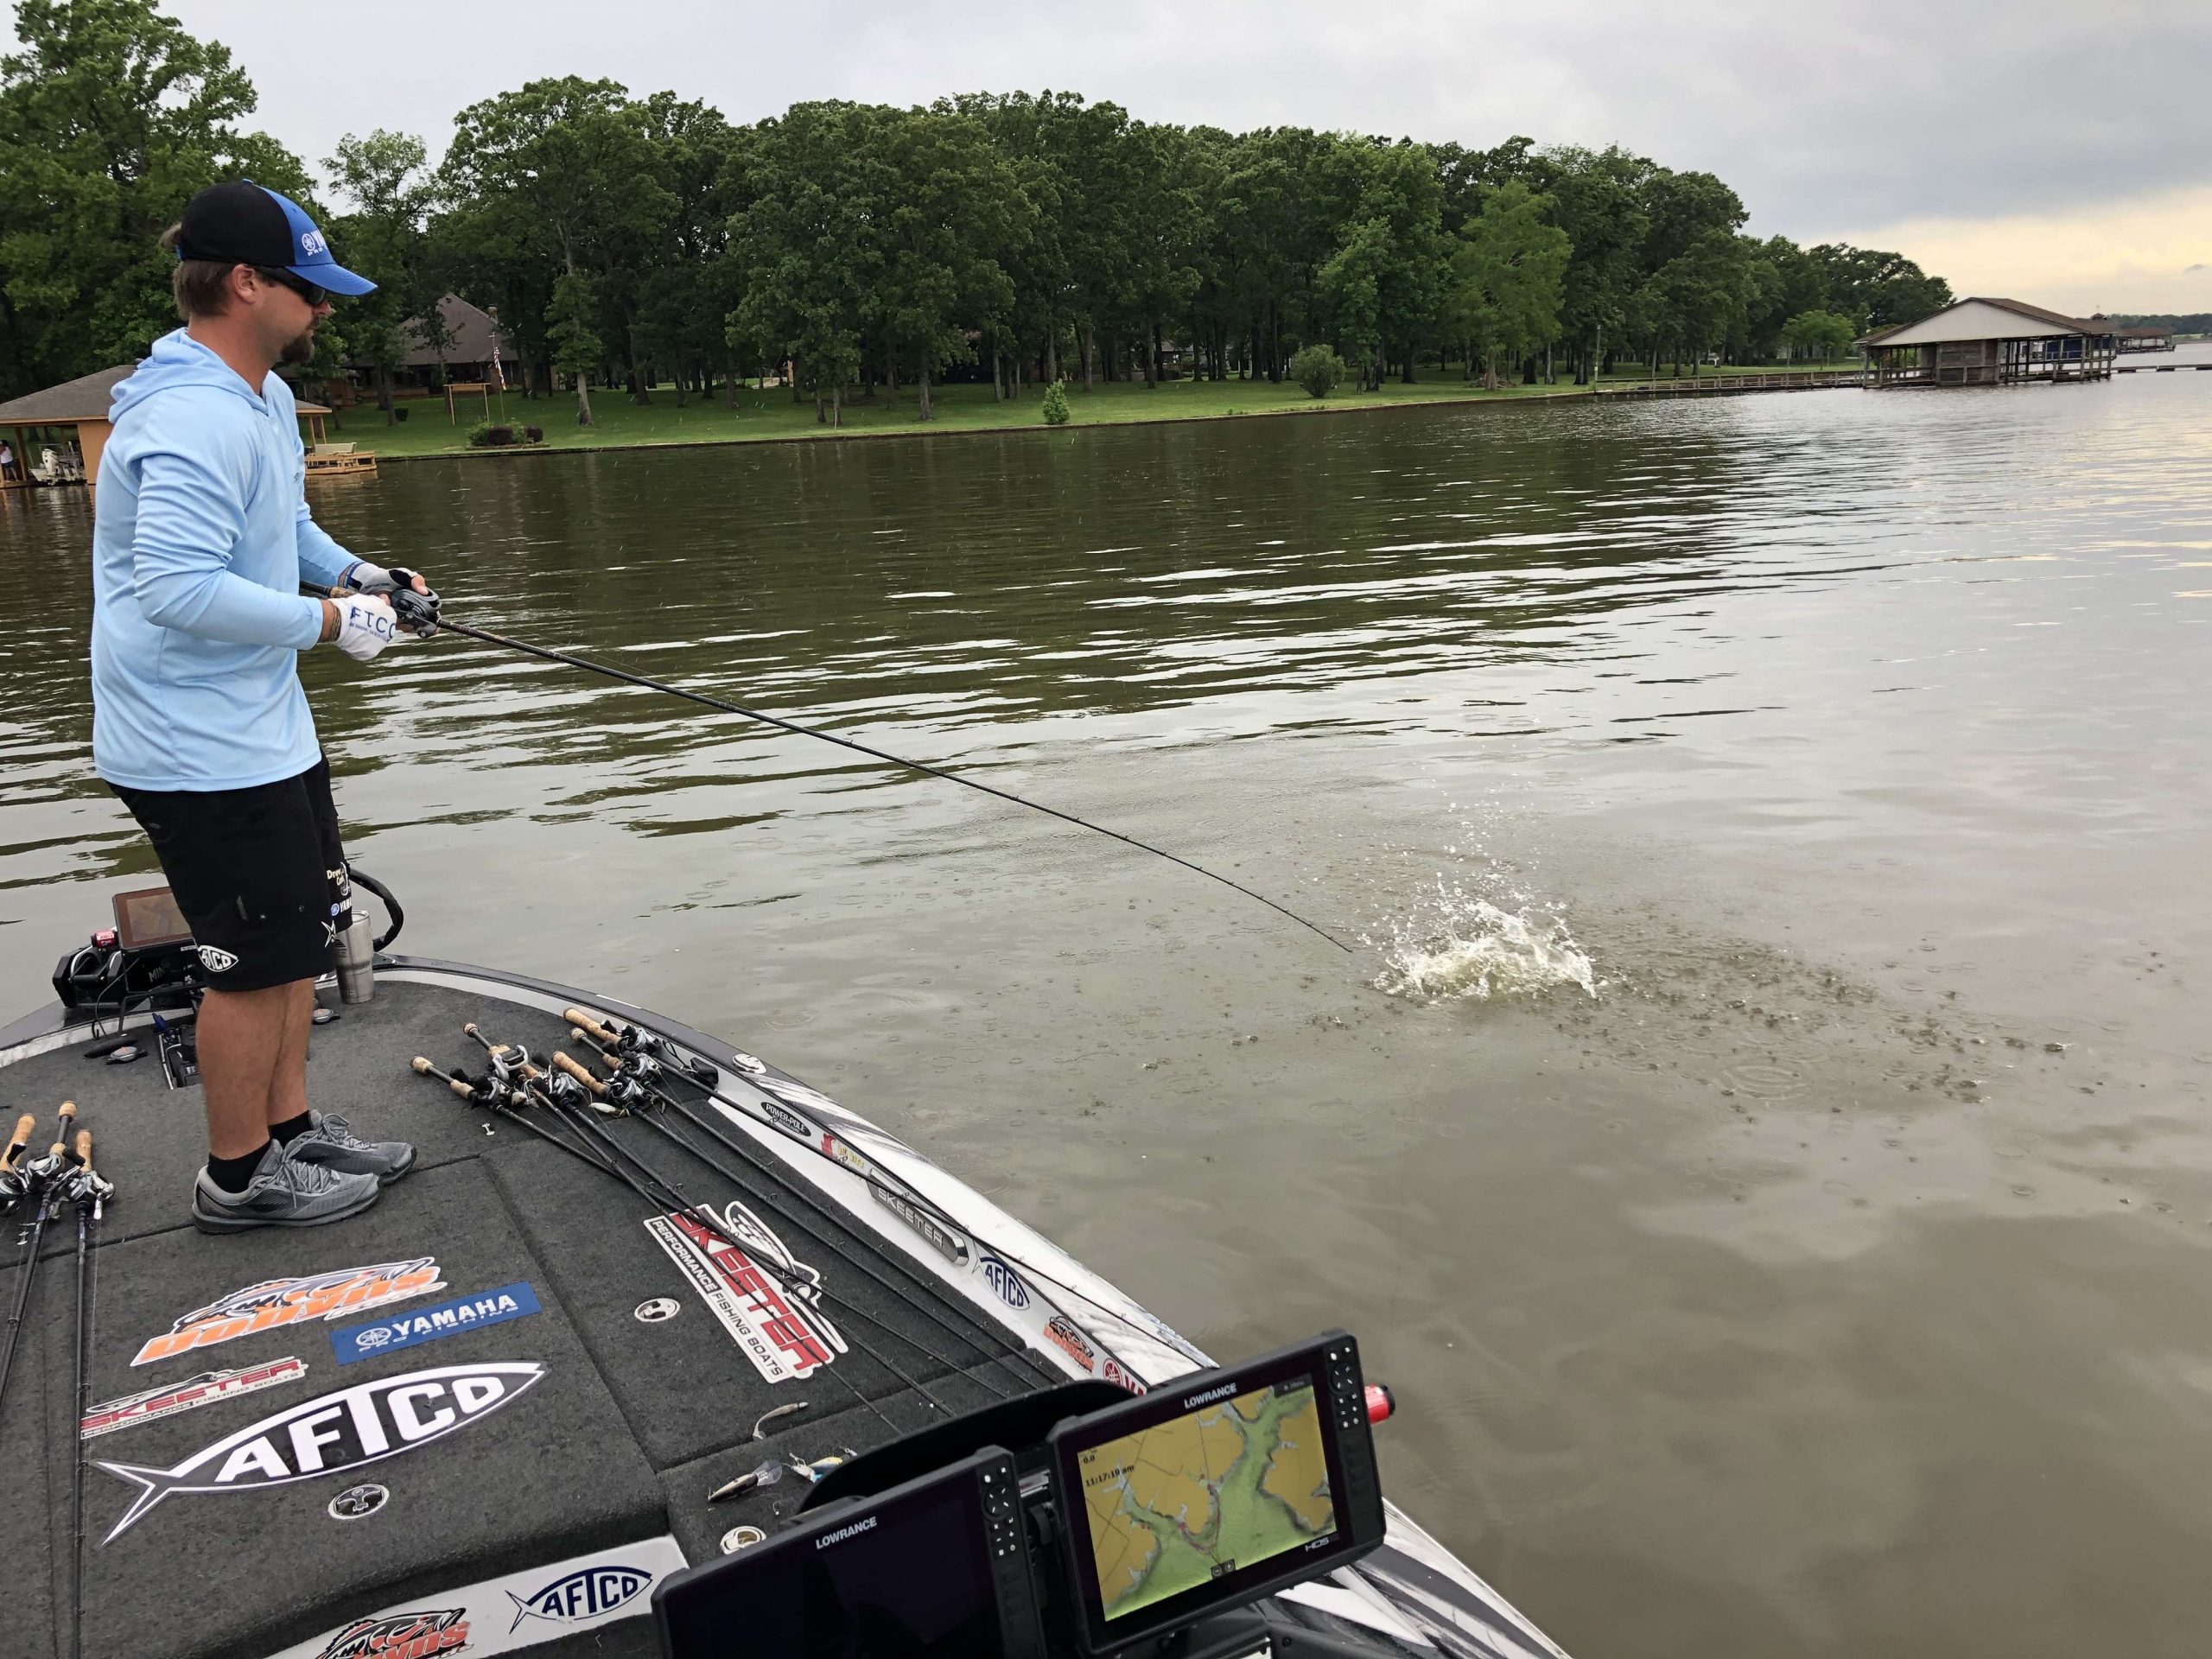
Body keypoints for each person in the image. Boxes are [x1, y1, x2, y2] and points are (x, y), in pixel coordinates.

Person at [89, 179, 432, 1233]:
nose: (324, 308)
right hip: (191, 743)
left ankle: (291, 1131)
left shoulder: (262, 398)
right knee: (247, 967)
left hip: (260, 725)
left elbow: (284, 529)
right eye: (309, 289)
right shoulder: (190, 418)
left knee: (300, 935)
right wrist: (332, 624)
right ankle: (237, 1178)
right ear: (245, 283)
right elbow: (176, 589)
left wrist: (363, 576)